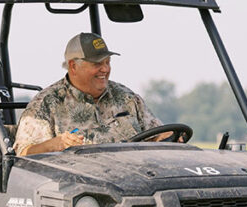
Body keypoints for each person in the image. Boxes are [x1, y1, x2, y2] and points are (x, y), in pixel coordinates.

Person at [15, 32, 158, 155]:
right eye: (97, 64)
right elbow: (22, 154)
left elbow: (157, 134)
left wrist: (167, 137)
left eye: (107, 62)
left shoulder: (127, 98)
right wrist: (54, 145)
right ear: (73, 66)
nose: (105, 69)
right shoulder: (47, 104)